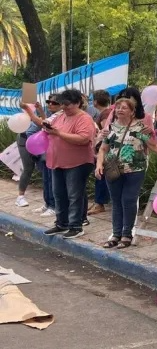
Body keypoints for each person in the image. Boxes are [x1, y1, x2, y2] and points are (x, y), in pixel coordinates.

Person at [95, 97, 157, 248]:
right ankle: (116, 234)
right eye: (118, 107)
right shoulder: (111, 128)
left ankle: (126, 234)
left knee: (128, 200)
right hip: (113, 169)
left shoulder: (140, 128)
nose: (120, 110)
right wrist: (99, 164)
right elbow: (103, 148)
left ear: (132, 111)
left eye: (124, 107)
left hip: (135, 170)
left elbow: (153, 145)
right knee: (116, 202)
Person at [42, 89, 97, 239]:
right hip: (58, 161)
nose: (64, 107)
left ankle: (76, 225)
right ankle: (62, 223)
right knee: (59, 194)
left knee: (74, 195)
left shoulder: (84, 118)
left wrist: (58, 133)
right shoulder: (60, 116)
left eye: (68, 105)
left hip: (77, 162)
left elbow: (83, 139)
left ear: (78, 103)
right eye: (62, 104)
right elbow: (49, 128)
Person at [89, 89, 113, 215]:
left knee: (100, 175)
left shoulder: (105, 114)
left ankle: (100, 203)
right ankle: (99, 202)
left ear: (96, 102)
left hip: (102, 149)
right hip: (101, 148)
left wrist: (97, 145)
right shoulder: (106, 113)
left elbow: (106, 132)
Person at [14, 102, 39, 208]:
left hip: (39, 141)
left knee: (46, 169)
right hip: (24, 141)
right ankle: (20, 197)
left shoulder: (42, 108)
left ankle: (50, 201)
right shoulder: (23, 112)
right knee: (28, 168)